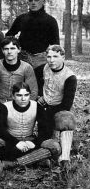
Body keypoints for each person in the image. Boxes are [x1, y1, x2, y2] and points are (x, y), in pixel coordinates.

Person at [0, 82, 61, 168]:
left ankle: (14, 163)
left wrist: (35, 143)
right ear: (13, 96)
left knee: (54, 146)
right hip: (11, 142)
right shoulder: (4, 107)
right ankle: (35, 160)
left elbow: (44, 129)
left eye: (26, 95)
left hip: (30, 140)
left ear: (29, 95)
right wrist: (16, 143)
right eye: (19, 95)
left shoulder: (37, 106)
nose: (23, 99)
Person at [35, 45, 77, 173]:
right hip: (42, 105)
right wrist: (38, 96)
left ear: (63, 57)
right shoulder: (41, 69)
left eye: (55, 56)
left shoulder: (70, 77)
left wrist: (49, 113)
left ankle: (65, 158)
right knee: (44, 139)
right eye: (48, 56)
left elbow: (66, 104)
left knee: (66, 119)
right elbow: (33, 85)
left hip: (59, 108)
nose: (51, 60)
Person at [0, 36, 38, 117]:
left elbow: (33, 91)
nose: (9, 52)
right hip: (0, 104)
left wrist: (24, 107)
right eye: (6, 49)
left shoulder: (26, 68)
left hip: (19, 105)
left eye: (12, 48)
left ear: (19, 50)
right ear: (2, 50)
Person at [6, 0, 59, 68]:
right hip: (22, 59)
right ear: (28, 2)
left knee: (39, 80)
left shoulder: (51, 21)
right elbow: (8, 36)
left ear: (43, 1)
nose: (33, 2)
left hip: (42, 60)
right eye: (30, 0)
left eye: (36, 0)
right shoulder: (21, 18)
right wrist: (16, 47)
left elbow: (56, 45)